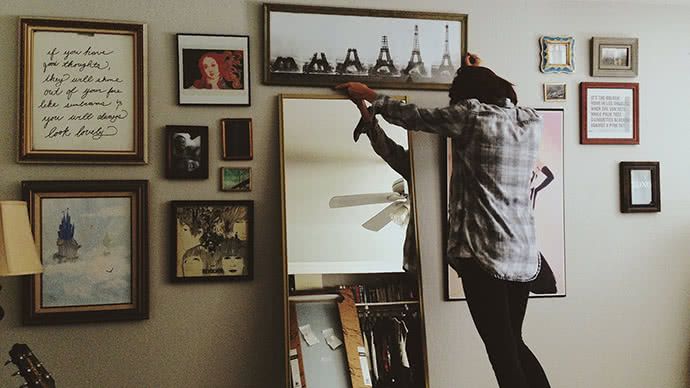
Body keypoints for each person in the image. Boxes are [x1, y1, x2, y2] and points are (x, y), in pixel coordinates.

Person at [337, 53, 551, 388]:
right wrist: (477, 70)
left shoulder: (471, 116)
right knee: (514, 344)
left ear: (468, 98)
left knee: (501, 352)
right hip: (524, 259)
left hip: (484, 259)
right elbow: (493, 95)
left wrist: (371, 96)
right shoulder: (530, 120)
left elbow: (417, 116)